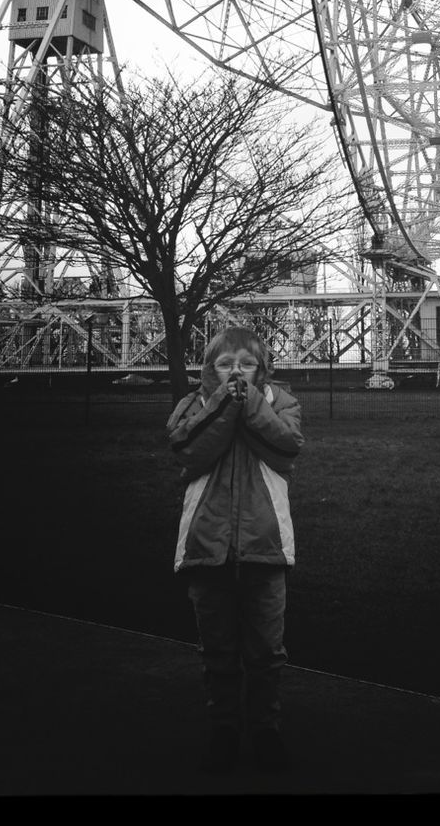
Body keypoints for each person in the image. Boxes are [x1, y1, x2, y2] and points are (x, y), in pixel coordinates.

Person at [166, 326, 303, 775]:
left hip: (263, 544)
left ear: (262, 369)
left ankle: (266, 729)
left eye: (246, 363)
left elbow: (286, 447)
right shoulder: (192, 405)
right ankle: (224, 728)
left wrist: (250, 403)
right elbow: (190, 451)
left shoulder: (281, 402)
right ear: (209, 370)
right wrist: (226, 403)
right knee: (218, 650)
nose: (236, 371)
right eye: (225, 364)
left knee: (267, 651)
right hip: (209, 544)